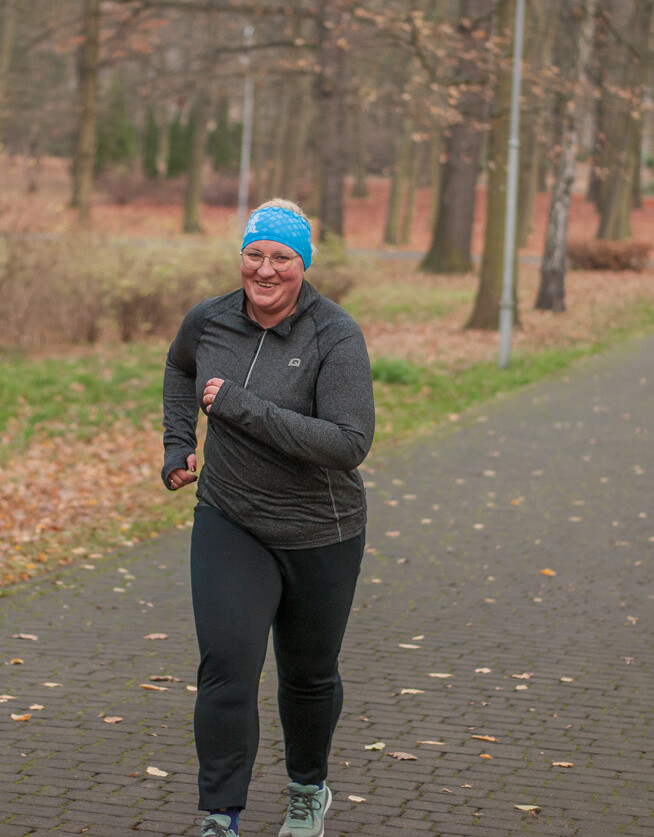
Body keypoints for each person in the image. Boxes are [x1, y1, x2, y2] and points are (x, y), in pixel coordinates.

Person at [161, 198, 374, 837]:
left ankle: (308, 790)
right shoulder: (211, 320)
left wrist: (240, 409)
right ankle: (219, 815)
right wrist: (179, 441)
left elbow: (348, 442)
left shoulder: (335, 334)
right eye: (254, 254)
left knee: (307, 677)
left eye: (282, 258)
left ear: (303, 264)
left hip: (321, 530)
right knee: (227, 667)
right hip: (231, 516)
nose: (266, 269)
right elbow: (178, 368)